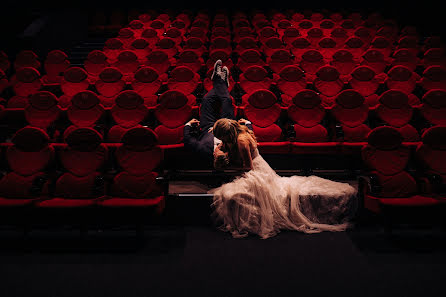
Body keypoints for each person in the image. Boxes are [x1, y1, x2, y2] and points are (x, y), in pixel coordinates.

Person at [210, 118, 358, 239]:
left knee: (231, 194)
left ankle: (251, 222)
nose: (220, 140)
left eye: (221, 137)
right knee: (228, 193)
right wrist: (219, 151)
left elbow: (248, 167)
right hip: (252, 169)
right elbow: (224, 144)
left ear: (227, 133)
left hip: (257, 172)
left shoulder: (242, 140)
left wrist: (228, 166)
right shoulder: (233, 133)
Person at [183, 60, 253, 167]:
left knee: (206, 100)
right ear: (226, 154)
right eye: (223, 152)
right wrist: (248, 123)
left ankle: (219, 81)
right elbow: (247, 137)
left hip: (208, 126)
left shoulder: (203, 150)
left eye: (217, 153)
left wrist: (188, 125)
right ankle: (221, 81)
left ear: (214, 156)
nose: (219, 149)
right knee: (227, 100)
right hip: (228, 125)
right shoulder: (235, 148)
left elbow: (188, 140)